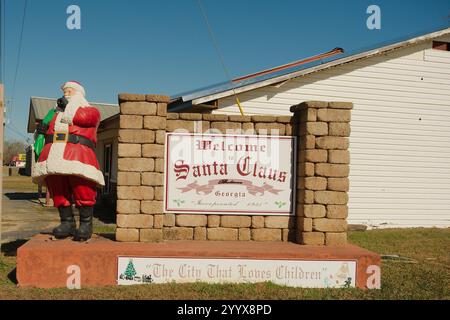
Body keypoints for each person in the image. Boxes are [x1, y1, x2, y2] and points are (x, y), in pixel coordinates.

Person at [33, 81, 105, 241]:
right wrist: (43, 128)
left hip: (77, 153)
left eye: (70, 91)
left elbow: (85, 118)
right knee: (57, 187)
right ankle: (67, 222)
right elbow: (47, 128)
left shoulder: (90, 110)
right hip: (53, 154)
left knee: (82, 186)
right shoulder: (54, 114)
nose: (66, 94)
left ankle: (86, 224)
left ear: (79, 94)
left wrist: (68, 107)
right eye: (65, 92)